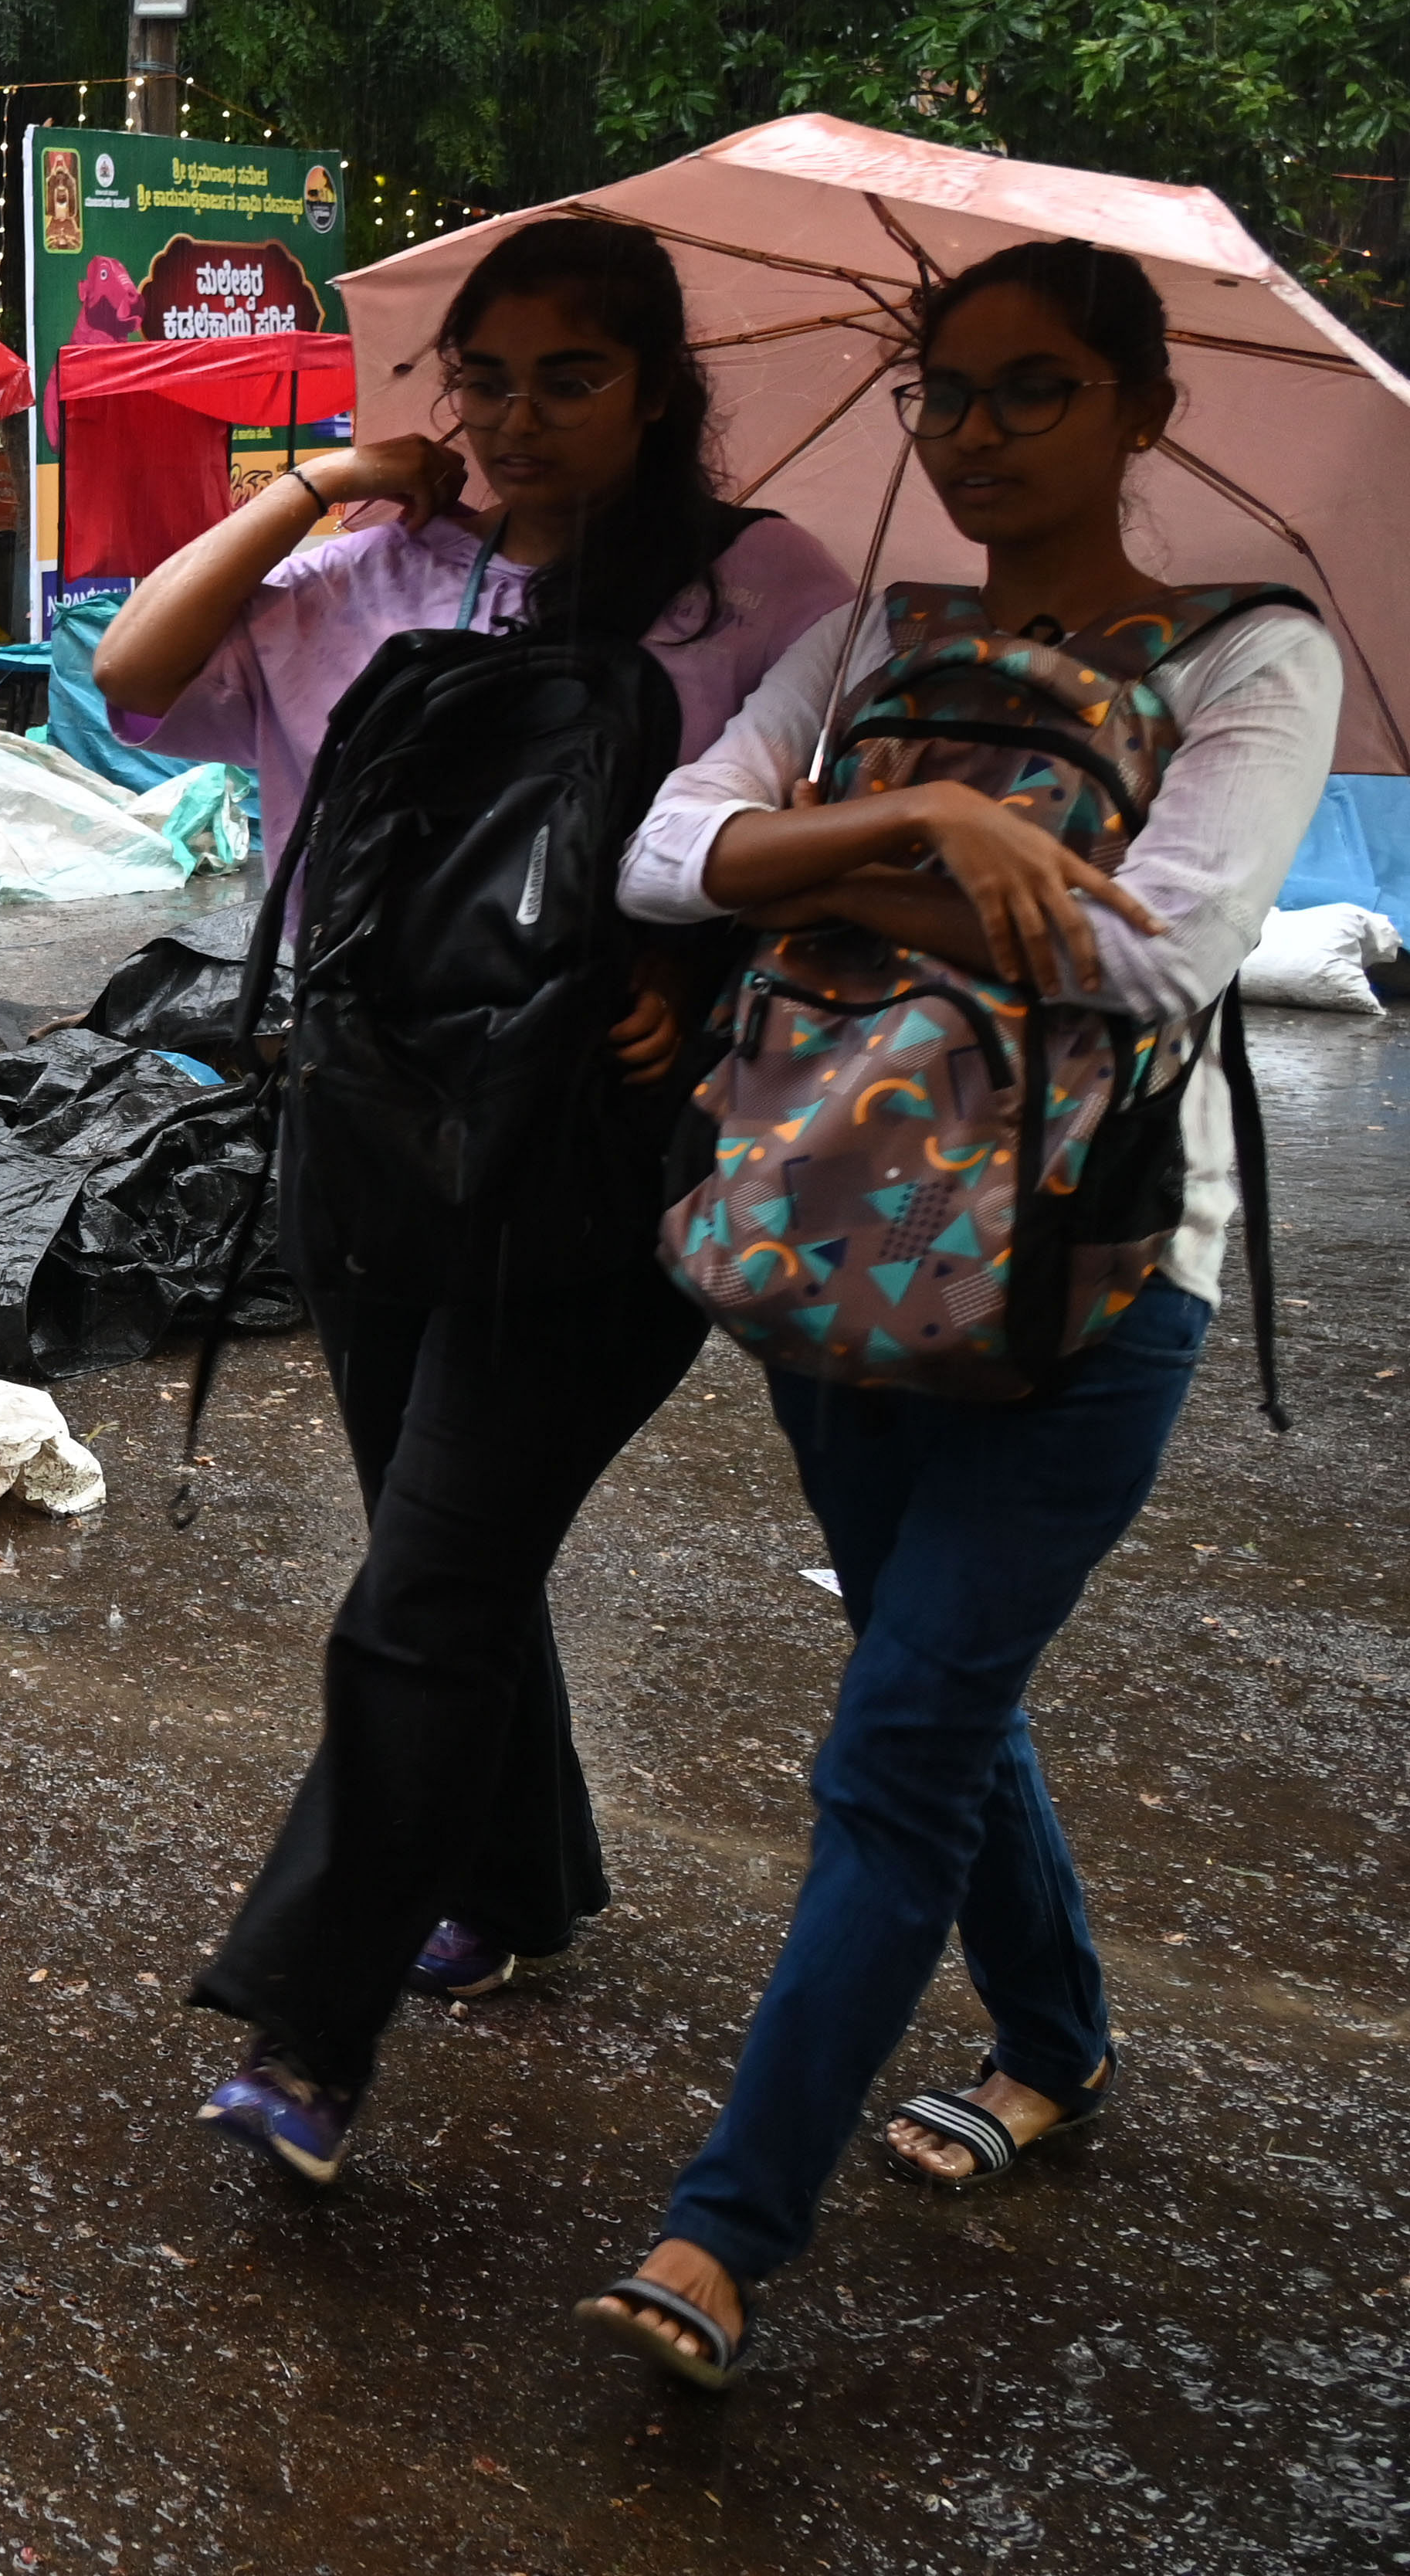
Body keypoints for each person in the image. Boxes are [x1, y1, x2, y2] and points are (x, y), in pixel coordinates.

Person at [575, 239, 1339, 2388]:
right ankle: (1061, 2038)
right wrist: (925, 815)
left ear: (1140, 407)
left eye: (1034, 395)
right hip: (829, 1244)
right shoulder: (874, 637)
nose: (980, 438)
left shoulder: (1250, 658)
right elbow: (660, 849)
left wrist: (814, 859)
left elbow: (1156, 953)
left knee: (897, 1745)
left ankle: (721, 2234)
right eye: (952, 398)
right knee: (938, 1684)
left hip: (1084, 1288)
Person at [90, 218, 859, 2181]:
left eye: (570, 377)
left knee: (424, 1587)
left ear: (659, 391)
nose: (516, 418)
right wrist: (324, 483)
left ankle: (308, 2024)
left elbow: (813, 845)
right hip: (366, 1146)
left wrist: (700, 978)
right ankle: (516, 1884)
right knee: (443, 1552)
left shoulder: (758, 591)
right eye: (485, 375)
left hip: (595, 1173)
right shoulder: (373, 568)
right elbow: (132, 671)